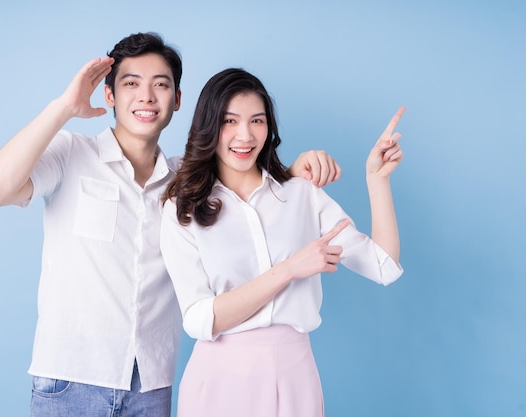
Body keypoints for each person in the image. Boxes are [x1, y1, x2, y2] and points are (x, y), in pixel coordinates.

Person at [0, 33, 341, 417]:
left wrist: (297, 172)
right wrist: (64, 107)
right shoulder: (71, 154)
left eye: (160, 85)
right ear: (110, 95)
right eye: (131, 83)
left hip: (151, 385)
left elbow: (253, 184)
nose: (147, 97)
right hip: (70, 380)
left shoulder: (188, 181)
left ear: (177, 100)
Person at [160, 68, 405, 417]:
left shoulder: (301, 194)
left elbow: (384, 267)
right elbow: (199, 319)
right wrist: (289, 270)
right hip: (218, 381)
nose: (244, 135)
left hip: (294, 376)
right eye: (230, 121)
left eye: (257, 121)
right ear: (209, 126)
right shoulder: (181, 208)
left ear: (269, 127)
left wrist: (376, 180)